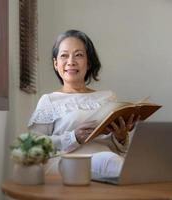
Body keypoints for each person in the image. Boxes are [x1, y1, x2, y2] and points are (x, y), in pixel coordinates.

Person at [27, 30, 140, 179]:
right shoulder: (49, 100)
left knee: (122, 161)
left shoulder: (108, 97)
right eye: (64, 55)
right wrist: (73, 137)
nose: (71, 61)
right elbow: (32, 145)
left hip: (109, 161)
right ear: (56, 64)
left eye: (79, 55)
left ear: (89, 63)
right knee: (112, 162)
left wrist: (120, 136)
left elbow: (114, 147)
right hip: (70, 165)